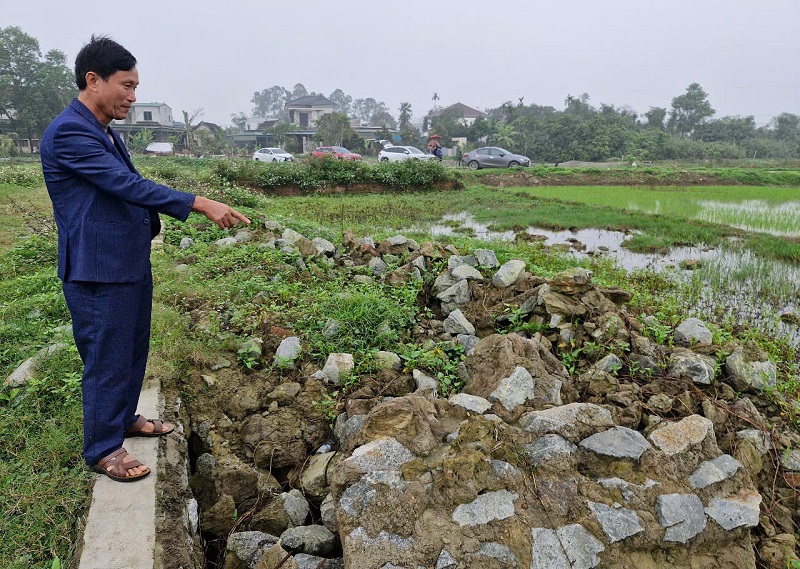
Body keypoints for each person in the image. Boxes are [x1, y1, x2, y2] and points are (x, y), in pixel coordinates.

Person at [40, 35, 250, 482]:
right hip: (98, 268)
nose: (133, 98)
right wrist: (198, 202)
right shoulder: (71, 131)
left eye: (137, 88)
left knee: (132, 349)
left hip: (125, 261)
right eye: (127, 86)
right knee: (107, 357)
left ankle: (123, 419)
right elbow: (127, 187)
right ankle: (102, 448)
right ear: (92, 80)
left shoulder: (100, 129)